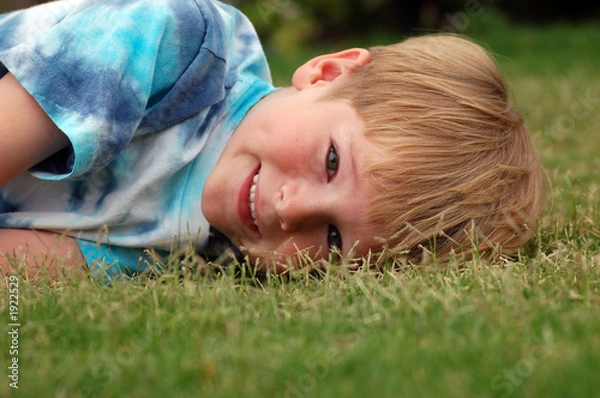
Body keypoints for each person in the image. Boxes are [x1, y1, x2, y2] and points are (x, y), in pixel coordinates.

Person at [0, 0, 544, 280]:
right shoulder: (182, 48)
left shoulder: (199, 252)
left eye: (333, 240)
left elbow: (25, 264)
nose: (291, 209)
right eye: (332, 162)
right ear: (330, 71)